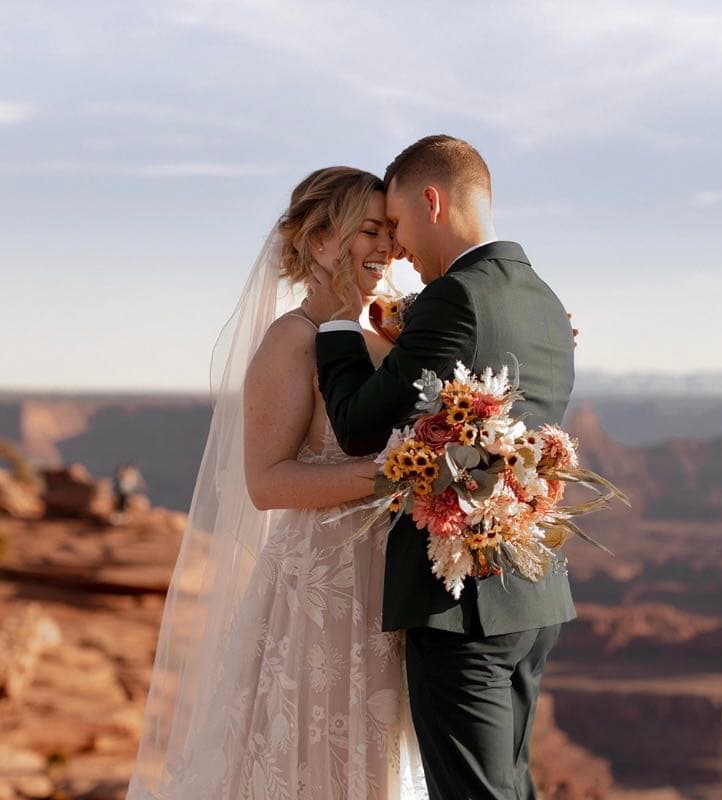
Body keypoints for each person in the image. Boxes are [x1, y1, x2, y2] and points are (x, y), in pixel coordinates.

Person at [125, 167, 427, 800]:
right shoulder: (292, 341)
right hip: (324, 589)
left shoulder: (390, 342)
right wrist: (389, 474)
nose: (388, 248)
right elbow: (266, 483)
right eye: (369, 230)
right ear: (318, 241)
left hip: (394, 585)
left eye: (391, 233)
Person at [311, 136, 576, 799]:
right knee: (509, 787)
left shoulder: (456, 297)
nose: (395, 248)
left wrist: (341, 322)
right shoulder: (542, 298)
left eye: (396, 224)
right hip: (530, 595)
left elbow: (360, 426)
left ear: (432, 201)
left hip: (466, 604)